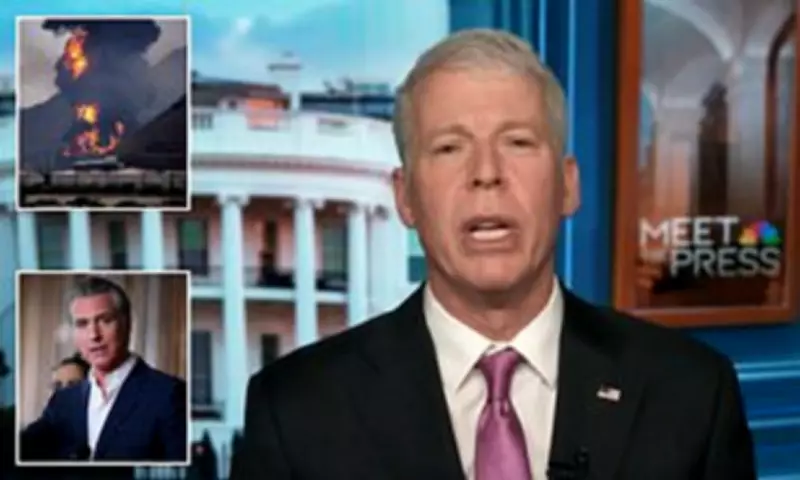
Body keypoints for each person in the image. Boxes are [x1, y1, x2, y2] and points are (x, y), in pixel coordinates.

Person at [230, 29, 756, 480]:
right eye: (449, 148)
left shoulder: (691, 393)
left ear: (568, 185)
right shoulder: (297, 410)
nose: (486, 173)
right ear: (405, 197)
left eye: (518, 142)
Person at [20, 275, 187, 463]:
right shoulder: (63, 401)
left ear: (127, 324)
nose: (94, 335)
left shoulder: (169, 394)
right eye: (82, 324)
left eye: (105, 320)